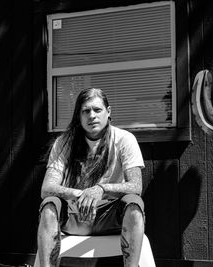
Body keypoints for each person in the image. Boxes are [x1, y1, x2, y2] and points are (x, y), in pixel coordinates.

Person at [37, 88, 145, 267]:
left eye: (97, 110)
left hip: (108, 217)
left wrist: (101, 189)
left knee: (134, 204)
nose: (92, 115)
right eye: (85, 111)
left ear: (108, 112)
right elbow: (47, 188)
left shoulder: (125, 139)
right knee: (49, 205)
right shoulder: (64, 143)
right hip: (74, 215)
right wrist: (82, 195)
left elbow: (136, 186)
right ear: (78, 116)